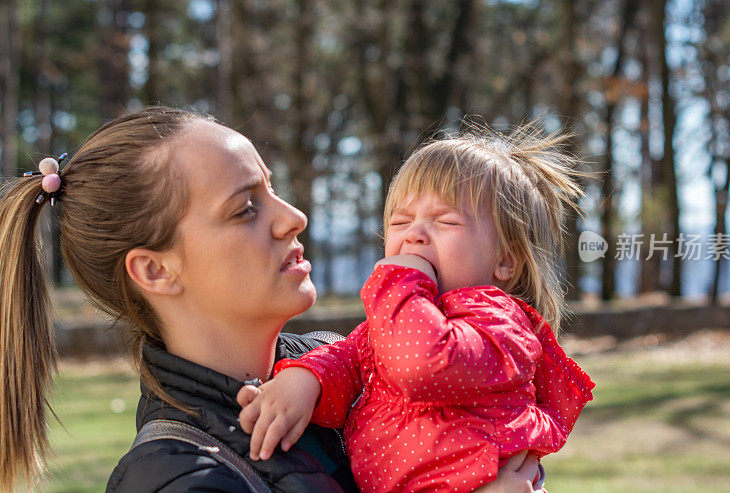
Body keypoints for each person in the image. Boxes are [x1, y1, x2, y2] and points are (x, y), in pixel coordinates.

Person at [0, 107, 543, 492]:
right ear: (156, 270)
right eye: (245, 209)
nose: (294, 217)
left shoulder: (354, 369)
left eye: (272, 188)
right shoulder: (178, 478)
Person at [237, 122, 597, 493]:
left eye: (445, 221)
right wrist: (304, 382)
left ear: (506, 260)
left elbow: (422, 364)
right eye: (400, 221)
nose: (414, 234)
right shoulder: (402, 318)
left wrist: (398, 281)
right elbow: (348, 359)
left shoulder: (499, 321)